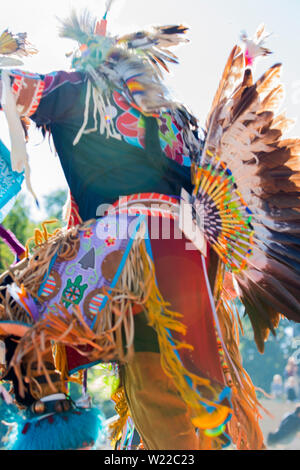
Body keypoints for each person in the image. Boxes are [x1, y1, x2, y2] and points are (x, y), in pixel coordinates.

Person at [0, 5, 300, 451]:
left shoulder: (79, 87)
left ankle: (54, 426)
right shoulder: (176, 117)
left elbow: (15, 88)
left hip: (128, 253)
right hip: (194, 261)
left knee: (11, 307)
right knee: (178, 399)